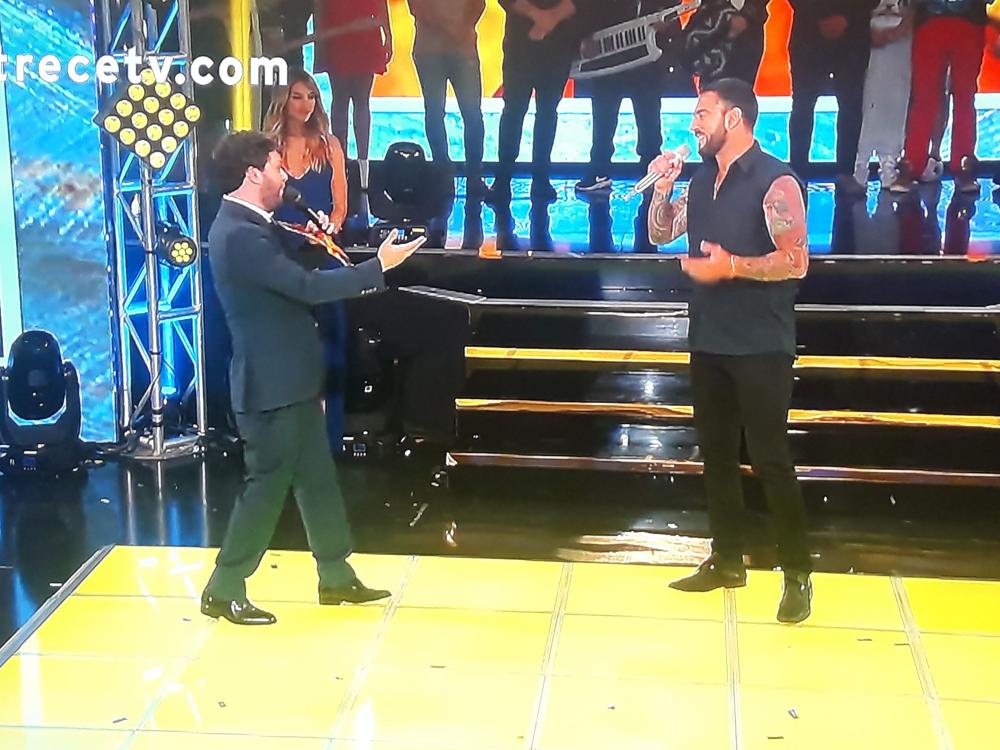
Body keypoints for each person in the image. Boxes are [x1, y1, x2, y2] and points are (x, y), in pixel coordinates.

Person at [200, 131, 425, 625]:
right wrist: (377, 268)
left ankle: (336, 575)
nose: (286, 176)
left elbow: (288, 272)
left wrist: (317, 240)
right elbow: (302, 287)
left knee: (317, 479)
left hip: (291, 379)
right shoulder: (240, 234)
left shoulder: (256, 225)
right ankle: (224, 586)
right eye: (277, 168)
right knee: (266, 485)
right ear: (253, 174)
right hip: (271, 385)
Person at [646, 78, 813, 624]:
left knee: (770, 458)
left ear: (733, 118)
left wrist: (733, 266)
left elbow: (796, 260)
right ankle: (726, 559)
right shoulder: (700, 180)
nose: (694, 124)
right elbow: (660, 235)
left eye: (703, 113)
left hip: (761, 343)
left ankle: (797, 573)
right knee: (716, 455)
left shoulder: (775, 180)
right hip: (709, 338)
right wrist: (662, 188)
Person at [263, 68, 351, 453]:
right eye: (297, 96)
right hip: (278, 252)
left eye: (311, 96)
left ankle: (329, 436)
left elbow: (340, 204)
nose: (305, 104)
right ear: (283, 100)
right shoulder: (267, 147)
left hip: (321, 250)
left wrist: (331, 224)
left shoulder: (330, 145)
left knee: (331, 340)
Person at [573, 0, 690, 194]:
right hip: (608, 51)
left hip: (647, 52)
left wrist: (666, 19)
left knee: (648, 115)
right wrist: (584, 34)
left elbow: (671, 7)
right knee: (604, 115)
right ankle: (599, 170)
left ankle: (651, 169)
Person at [891, 0, 1000, 193]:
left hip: (969, 24)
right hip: (929, 22)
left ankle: (964, 164)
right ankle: (912, 164)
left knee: (965, 97)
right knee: (924, 96)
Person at [487, 0, 580, 204]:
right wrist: (539, 16)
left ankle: (541, 178)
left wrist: (551, 18)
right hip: (520, 45)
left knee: (547, 112)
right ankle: (503, 178)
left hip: (559, 46)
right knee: (514, 111)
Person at [787, 0, 876, 194]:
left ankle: (846, 172)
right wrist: (821, 16)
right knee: (802, 105)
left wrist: (847, 17)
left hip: (853, 37)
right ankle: (797, 172)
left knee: (850, 105)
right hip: (808, 33)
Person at [407, 0, 488, 196]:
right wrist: (453, 28)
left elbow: (479, 4)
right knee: (435, 112)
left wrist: (461, 27)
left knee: (472, 115)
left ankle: (474, 175)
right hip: (431, 51)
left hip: (462, 50)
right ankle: (443, 172)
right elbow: (416, 6)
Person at [314, 0, 393, 191]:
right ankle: (345, 164)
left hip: (357, 36)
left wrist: (388, 34)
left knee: (351, 103)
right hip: (341, 35)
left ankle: (353, 165)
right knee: (349, 102)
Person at [851, 0, 914, 192]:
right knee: (866, 101)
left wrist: (907, 23)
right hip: (866, 33)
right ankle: (858, 168)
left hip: (903, 36)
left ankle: (889, 167)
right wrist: (861, 30)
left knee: (897, 100)